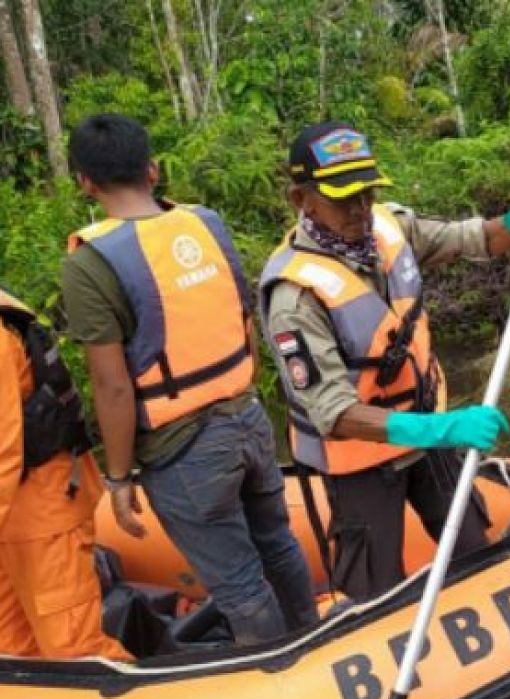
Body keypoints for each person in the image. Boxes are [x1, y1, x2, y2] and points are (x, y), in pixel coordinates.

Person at [260, 121, 510, 601]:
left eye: (366, 193)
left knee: (475, 547)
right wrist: (444, 430)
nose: (360, 208)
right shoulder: (294, 297)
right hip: (361, 459)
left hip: (428, 431)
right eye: (343, 198)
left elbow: (476, 239)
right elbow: (335, 413)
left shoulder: (389, 226)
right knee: (375, 591)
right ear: (301, 199)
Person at [60, 113, 317, 645]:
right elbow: (242, 317)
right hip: (248, 418)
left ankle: (279, 677)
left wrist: (119, 475)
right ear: (152, 170)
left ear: (84, 181)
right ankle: (311, 636)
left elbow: (111, 386)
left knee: (240, 586)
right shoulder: (205, 222)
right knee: (278, 544)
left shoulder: (91, 262)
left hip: (185, 452)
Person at [0, 285, 130, 660]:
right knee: (11, 650)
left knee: (75, 651)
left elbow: (4, 450)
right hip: (11, 522)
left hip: (42, 514)